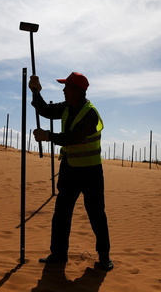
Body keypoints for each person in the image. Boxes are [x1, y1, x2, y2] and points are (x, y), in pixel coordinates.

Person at [29, 72, 113, 271]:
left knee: (96, 214)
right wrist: (35, 91)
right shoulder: (68, 106)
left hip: (91, 172)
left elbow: (73, 137)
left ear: (78, 90)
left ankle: (104, 257)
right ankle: (58, 254)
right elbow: (45, 110)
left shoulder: (89, 113)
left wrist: (47, 136)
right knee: (61, 213)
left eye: (67, 87)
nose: (63, 90)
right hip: (70, 169)